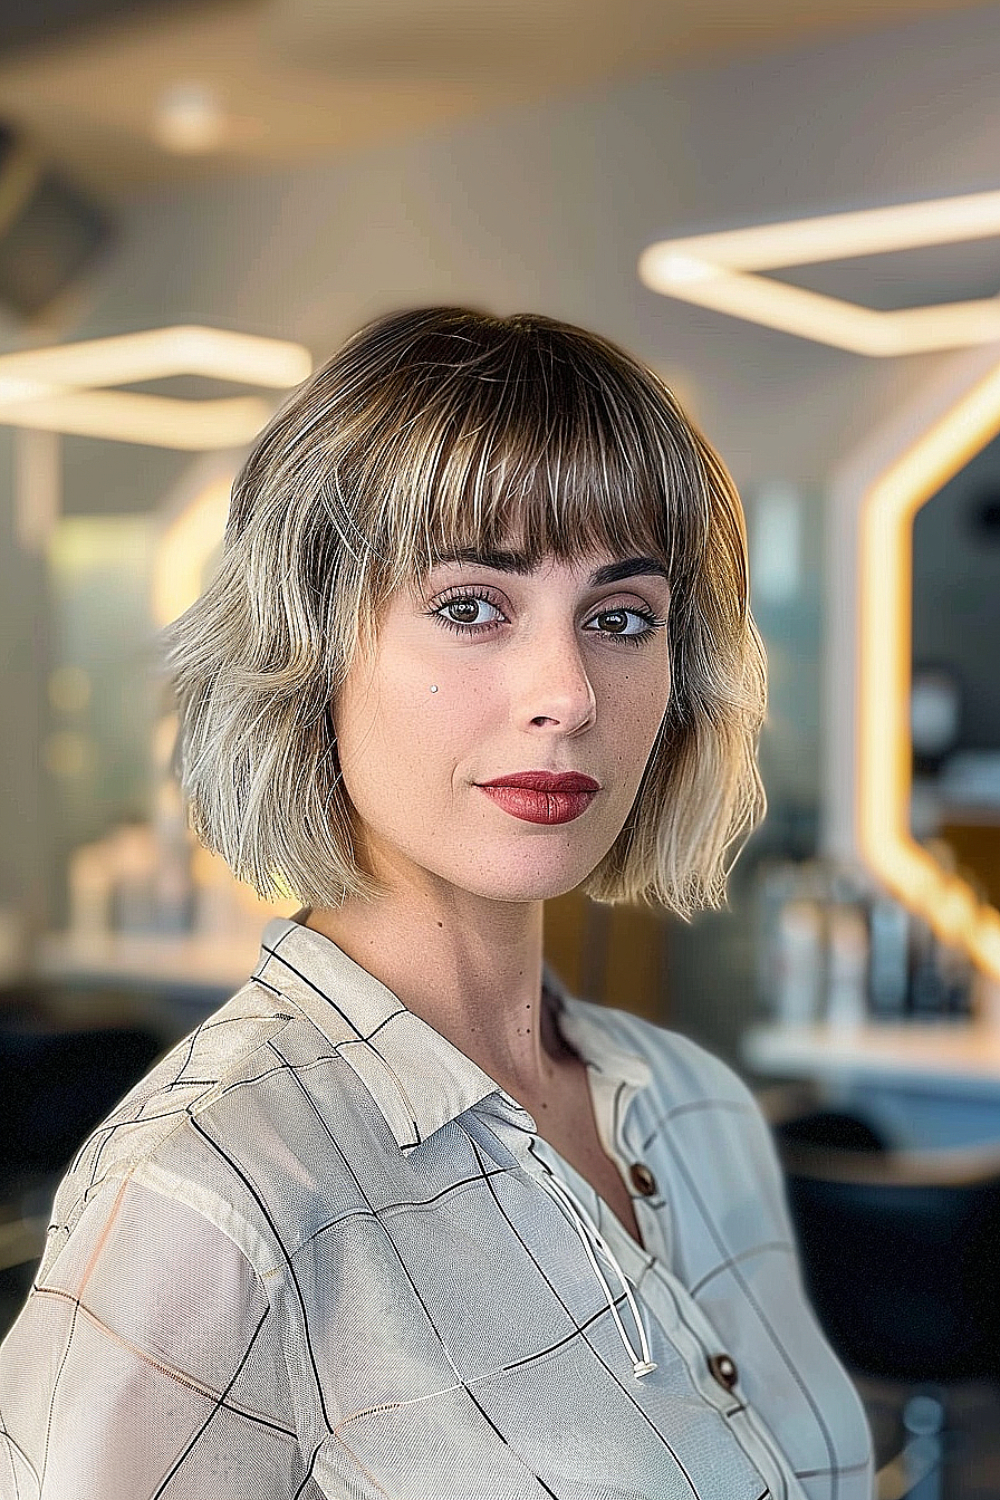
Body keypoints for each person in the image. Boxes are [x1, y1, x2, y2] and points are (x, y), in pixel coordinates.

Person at [0, 307, 874, 1499]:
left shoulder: (697, 1111)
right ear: (309, 652)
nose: (565, 693)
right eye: (470, 605)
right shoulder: (211, 1190)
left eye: (622, 619)